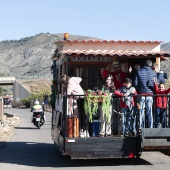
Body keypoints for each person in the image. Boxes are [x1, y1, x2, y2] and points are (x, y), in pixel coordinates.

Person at [133, 60, 157, 129]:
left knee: (141, 112)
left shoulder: (139, 71)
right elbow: (155, 84)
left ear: (144, 64)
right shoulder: (154, 73)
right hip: (150, 95)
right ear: (150, 65)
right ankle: (150, 128)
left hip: (141, 95)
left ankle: (141, 128)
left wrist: (139, 88)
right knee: (150, 112)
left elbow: (135, 84)